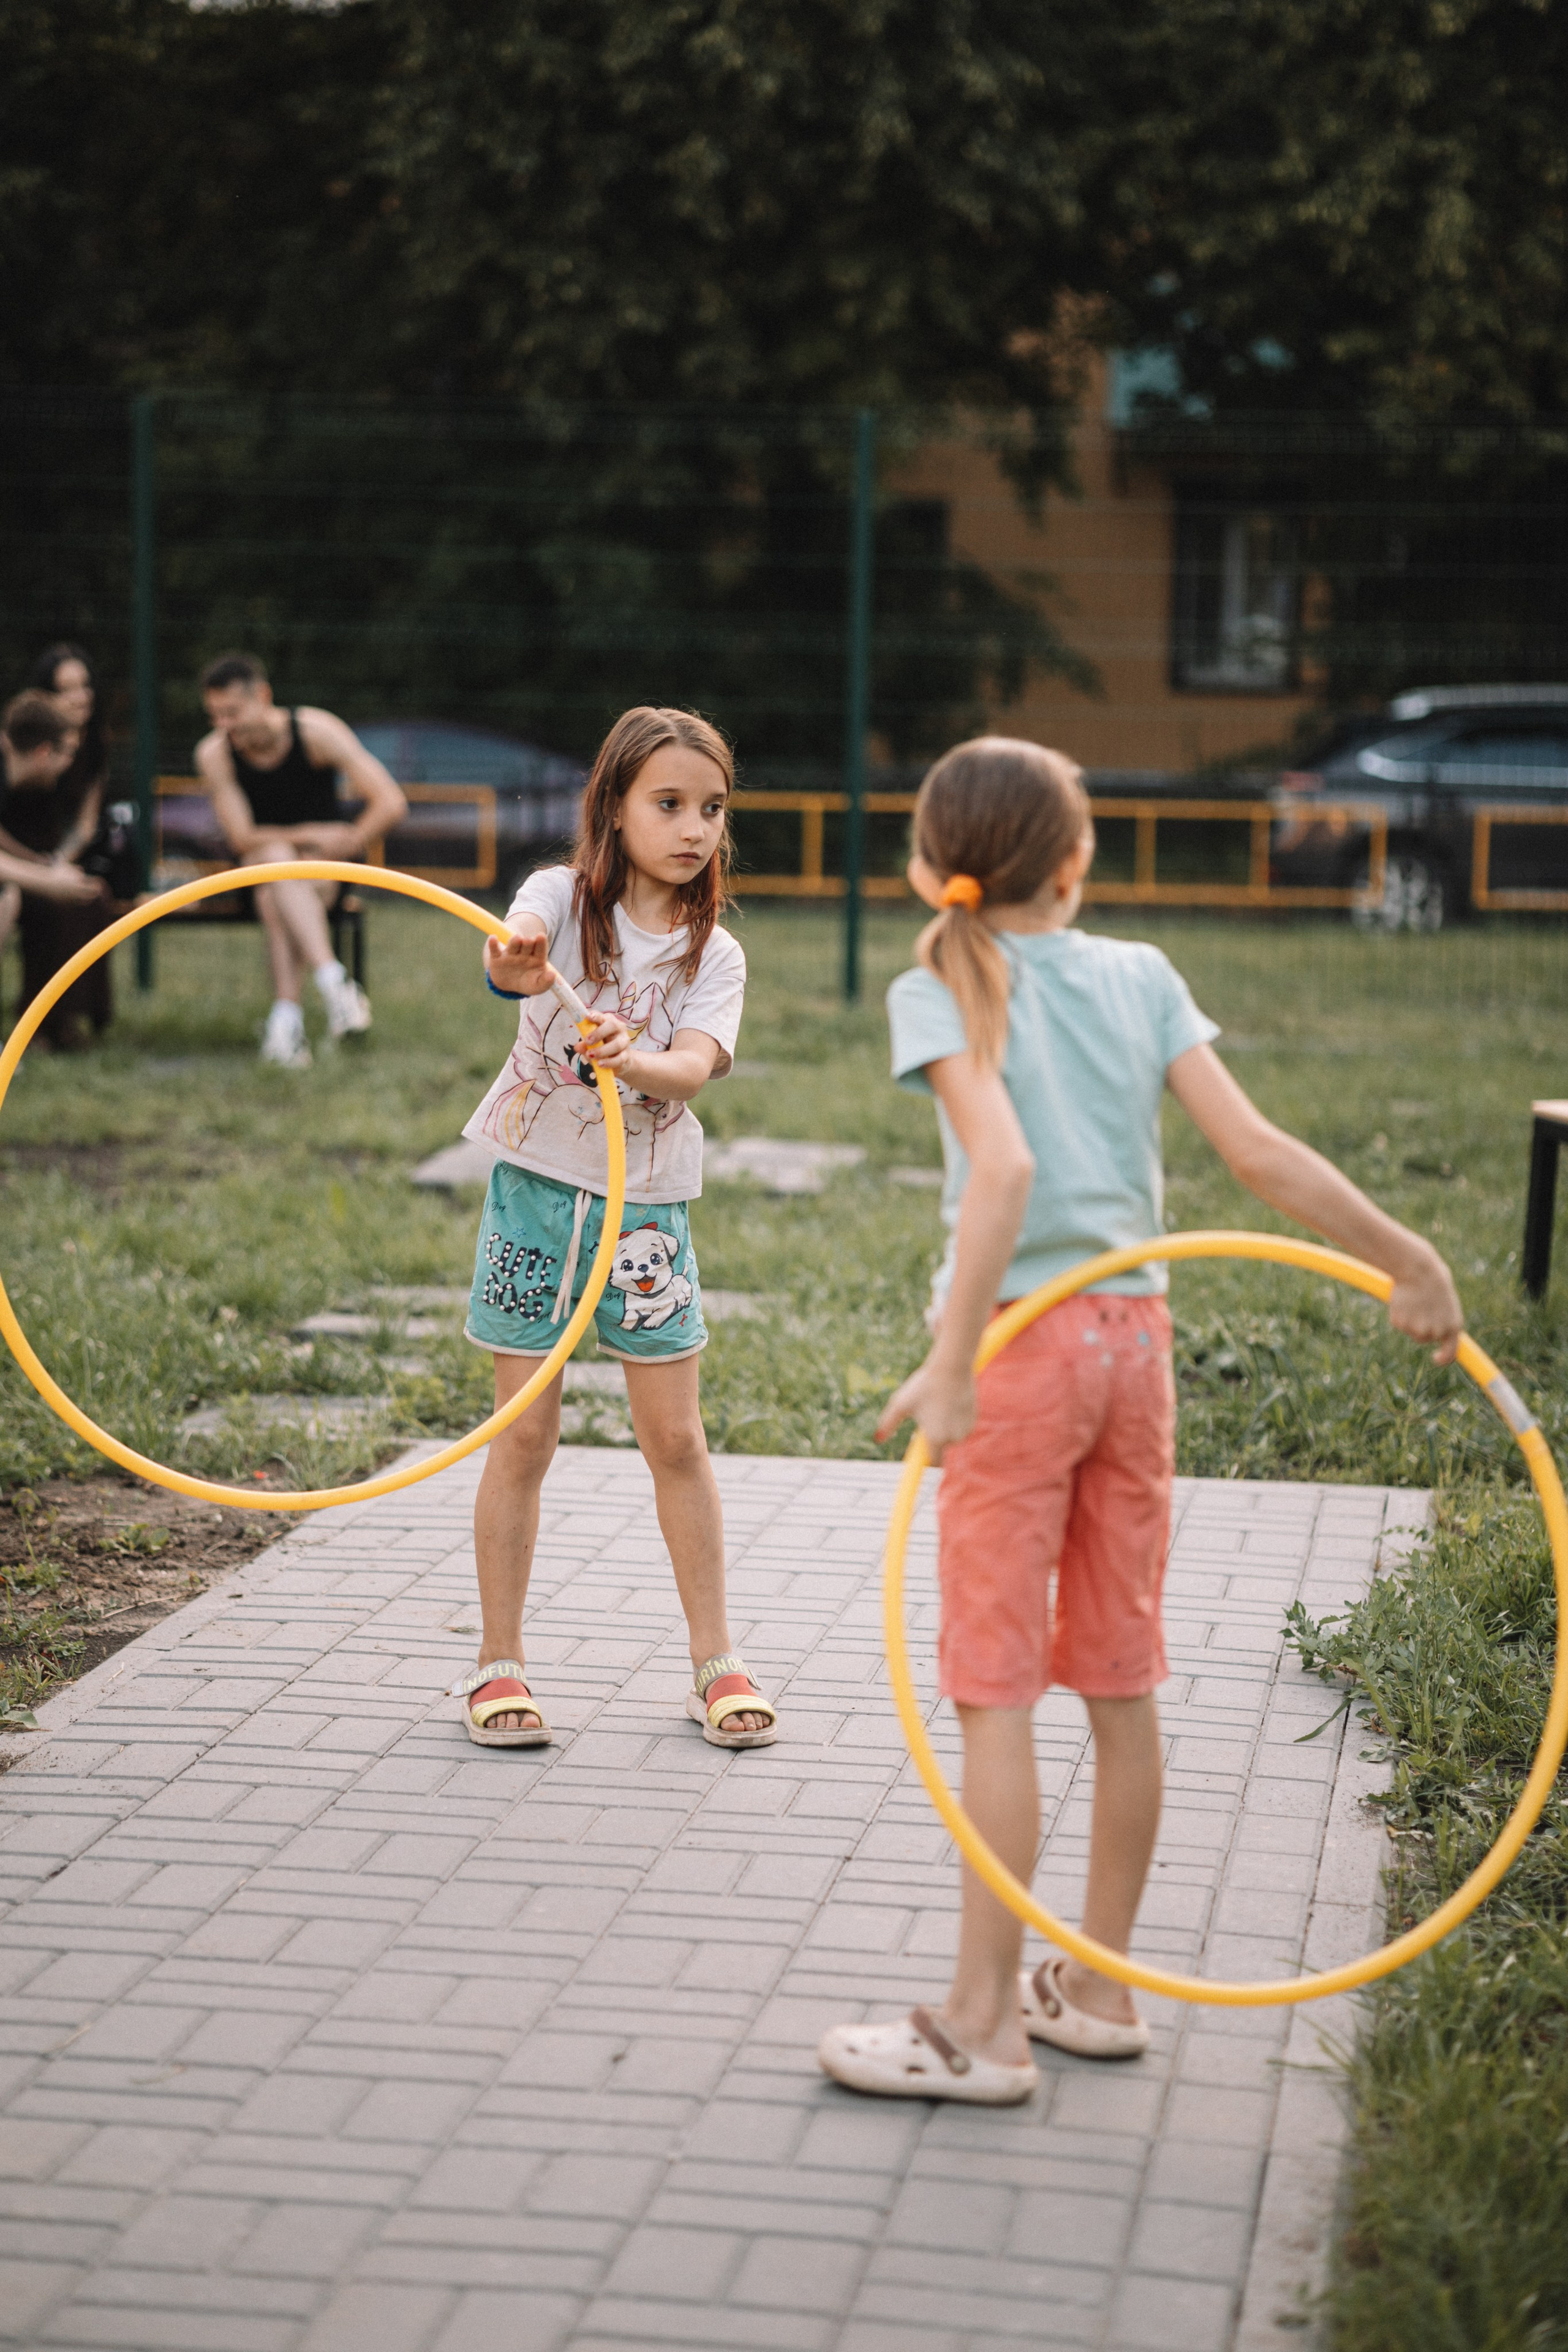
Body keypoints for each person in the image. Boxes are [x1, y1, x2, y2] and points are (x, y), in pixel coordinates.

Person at [816, 736, 1463, 2105]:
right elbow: (1255, 1154)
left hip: (1022, 1353)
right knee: (1116, 1678)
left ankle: (981, 2027)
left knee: (994, 1690)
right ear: (1078, 859)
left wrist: (947, 1366)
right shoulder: (1140, 974)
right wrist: (1406, 1253)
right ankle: (1097, 1985)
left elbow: (1002, 1171)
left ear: (935, 863)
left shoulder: (935, 976)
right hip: (1136, 1343)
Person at [451, 705, 777, 1752]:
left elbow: (692, 1069)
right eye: (670, 804)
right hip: (538, 1193)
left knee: (674, 1436)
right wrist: (522, 955)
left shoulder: (711, 953)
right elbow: (509, 963)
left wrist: (632, 1060)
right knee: (527, 1434)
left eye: (712, 808)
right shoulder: (558, 897)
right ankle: (500, 1665)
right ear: (615, 807)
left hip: (647, 1212)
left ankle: (715, 1662)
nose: (695, 828)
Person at [194, 652, 407, 1068]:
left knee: (279, 892)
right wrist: (310, 834)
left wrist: (349, 841)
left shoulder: (315, 732)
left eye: (233, 712)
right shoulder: (214, 755)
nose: (225, 726)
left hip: (322, 871)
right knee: (273, 862)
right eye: (215, 715)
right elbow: (242, 837)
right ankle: (333, 981)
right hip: (258, 871)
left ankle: (286, 1023)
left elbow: (390, 801)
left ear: (263, 696)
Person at [0, 691, 113, 1047]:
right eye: (68, 753)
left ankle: (53, 1025)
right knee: (6, 898)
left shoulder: (35, 789)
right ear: (44, 752)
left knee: (78, 901)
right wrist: (47, 880)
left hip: (20, 879)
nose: (71, 763)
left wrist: (53, 871)